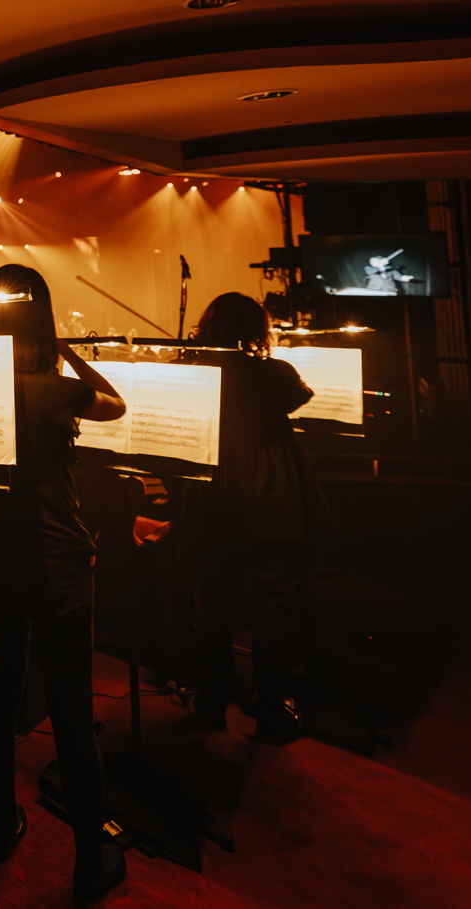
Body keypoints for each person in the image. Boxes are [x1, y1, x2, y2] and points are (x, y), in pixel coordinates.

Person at [0, 264, 131, 903]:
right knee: (71, 709)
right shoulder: (56, 390)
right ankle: (89, 861)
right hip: (57, 561)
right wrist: (64, 349)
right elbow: (115, 404)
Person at [180, 292, 324, 745]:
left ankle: (212, 701)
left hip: (214, 495)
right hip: (271, 497)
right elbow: (300, 395)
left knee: (213, 606)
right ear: (256, 331)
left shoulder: (191, 373)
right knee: (275, 609)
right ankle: (271, 707)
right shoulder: (273, 373)